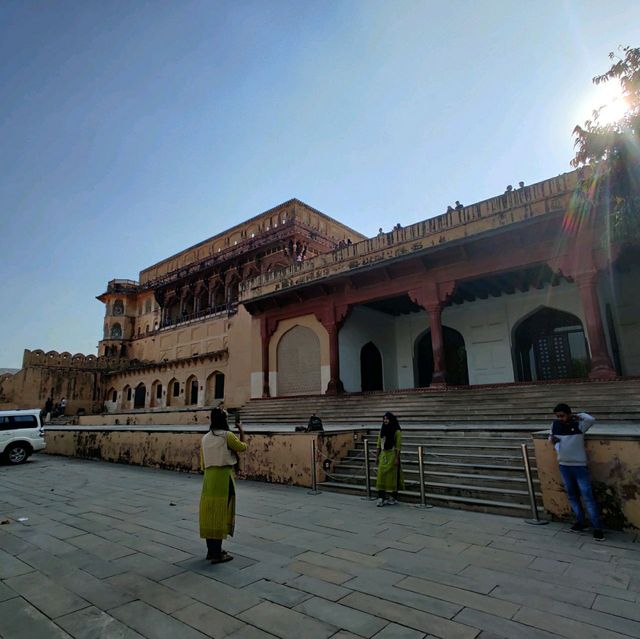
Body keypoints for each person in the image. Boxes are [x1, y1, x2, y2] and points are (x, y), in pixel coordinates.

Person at [549, 403, 604, 541]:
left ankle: (597, 528)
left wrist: (577, 415)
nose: (560, 418)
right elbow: (551, 438)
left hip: (579, 466)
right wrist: (553, 440)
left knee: (587, 497)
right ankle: (581, 522)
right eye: (558, 416)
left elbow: (591, 419)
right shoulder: (555, 425)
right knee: (572, 496)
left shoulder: (580, 426)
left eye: (562, 415)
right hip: (564, 465)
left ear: (568, 414)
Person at [199, 407, 248, 563]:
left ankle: (211, 550)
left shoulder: (205, 437)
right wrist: (241, 430)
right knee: (220, 512)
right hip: (223, 478)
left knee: (209, 513)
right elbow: (242, 447)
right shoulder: (227, 436)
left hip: (208, 478)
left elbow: (202, 463)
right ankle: (217, 553)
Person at [375, 412, 404, 506]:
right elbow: (379, 444)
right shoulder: (382, 430)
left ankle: (393, 497)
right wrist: (377, 456)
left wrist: (397, 458)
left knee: (393, 477)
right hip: (383, 455)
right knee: (381, 476)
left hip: (392, 455)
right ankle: (381, 497)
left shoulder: (397, 431)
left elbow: (398, 446)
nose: (385, 420)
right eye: (384, 419)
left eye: (387, 419)